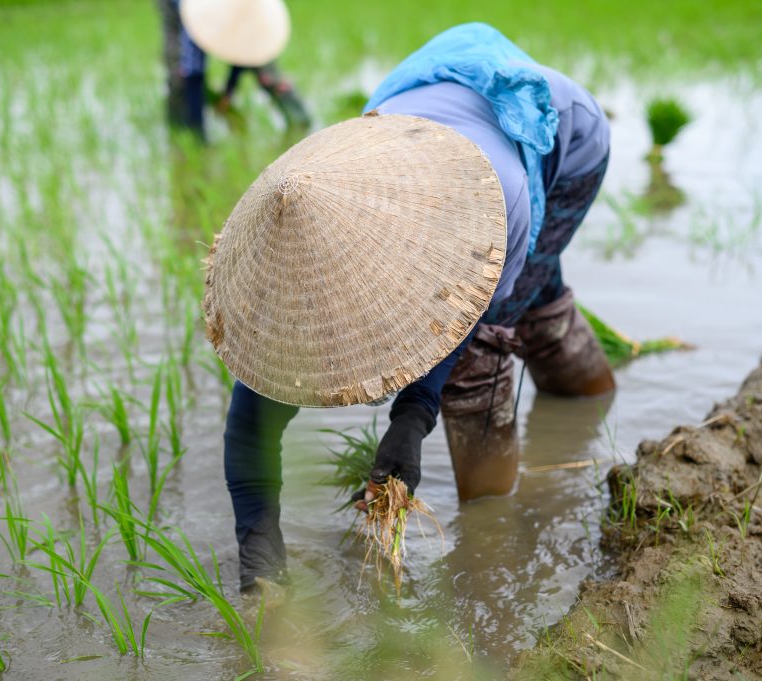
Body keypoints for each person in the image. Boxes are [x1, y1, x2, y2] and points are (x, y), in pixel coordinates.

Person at [202, 23, 615, 591]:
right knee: (535, 294)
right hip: (422, 106)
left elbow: (466, 318)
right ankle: (585, 392)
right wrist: (259, 553)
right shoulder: (290, 269)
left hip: (565, 139)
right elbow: (250, 429)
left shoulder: (501, 204)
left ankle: (491, 540)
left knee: (493, 337)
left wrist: (413, 416)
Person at [160, 0, 309, 138]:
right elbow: (193, 71)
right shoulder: (195, 15)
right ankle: (190, 132)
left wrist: (228, 92)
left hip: (235, 12)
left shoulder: (246, 13)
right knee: (184, 72)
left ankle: (300, 120)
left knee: (264, 68)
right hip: (188, 10)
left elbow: (240, 50)